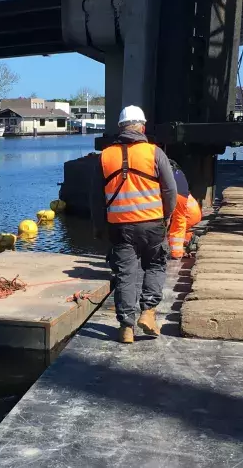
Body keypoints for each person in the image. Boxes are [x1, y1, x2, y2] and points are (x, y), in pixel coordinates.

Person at [91, 105, 177, 344]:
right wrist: (167, 215)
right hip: (152, 224)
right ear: (142, 126)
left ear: (120, 128)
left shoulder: (106, 156)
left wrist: (98, 226)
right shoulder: (154, 152)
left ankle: (126, 327)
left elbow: (96, 197)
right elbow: (170, 189)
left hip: (120, 227)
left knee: (125, 275)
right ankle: (148, 312)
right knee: (155, 266)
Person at [167, 163, 203, 259]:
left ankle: (176, 252)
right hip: (194, 215)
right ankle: (183, 247)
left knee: (175, 227)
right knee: (179, 226)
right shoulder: (179, 174)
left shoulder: (166, 172)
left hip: (188, 214)